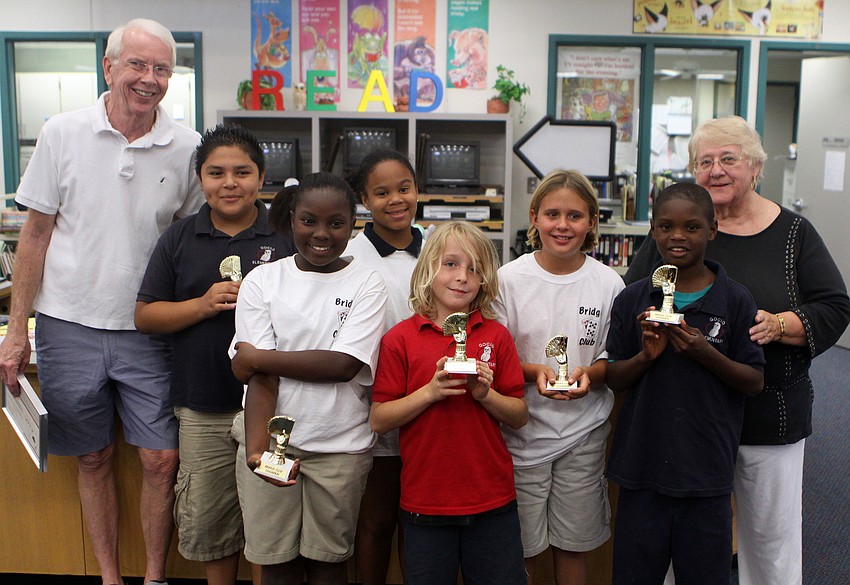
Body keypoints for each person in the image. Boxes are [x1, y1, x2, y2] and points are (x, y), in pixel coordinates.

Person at [0, 18, 203, 585]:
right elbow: (33, 236)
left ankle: (155, 576)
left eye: (161, 68)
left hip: (151, 329)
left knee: (162, 460)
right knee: (92, 457)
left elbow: (188, 242)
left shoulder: (186, 147)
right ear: (109, 66)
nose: (149, 78)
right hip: (68, 325)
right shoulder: (62, 133)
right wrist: (19, 331)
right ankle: (111, 578)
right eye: (137, 64)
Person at [625, 116, 850, 585]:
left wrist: (783, 324)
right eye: (704, 161)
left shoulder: (794, 234)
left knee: (769, 541)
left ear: (755, 167)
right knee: (674, 544)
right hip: (681, 419)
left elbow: (834, 305)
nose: (716, 170)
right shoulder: (675, 229)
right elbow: (633, 294)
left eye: (729, 159)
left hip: (766, 413)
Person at [134, 124, 295, 585]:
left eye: (242, 172)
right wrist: (202, 305)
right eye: (216, 173)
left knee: (270, 518)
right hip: (202, 405)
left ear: (261, 176)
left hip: (272, 406)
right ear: (199, 179)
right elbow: (145, 316)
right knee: (210, 523)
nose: (229, 183)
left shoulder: (285, 236)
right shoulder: (179, 238)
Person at [229, 171, 387, 585]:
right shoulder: (262, 281)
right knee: (275, 564)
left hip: (339, 447)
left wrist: (261, 356)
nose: (322, 233)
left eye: (336, 223)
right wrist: (258, 452)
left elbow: (342, 366)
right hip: (267, 441)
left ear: (353, 226)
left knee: (328, 564)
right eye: (309, 221)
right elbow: (257, 378)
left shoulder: (368, 282)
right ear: (291, 219)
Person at [607, 182, 765, 585]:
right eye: (665, 226)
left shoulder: (735, 301)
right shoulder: (632, 300)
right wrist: (646, 357)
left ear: (712, 230)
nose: (677, 236)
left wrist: (703, 352)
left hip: (705, 476)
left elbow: (754, 381)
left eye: (692, 227)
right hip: (641, 471)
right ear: (654, 231)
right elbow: (613, 378)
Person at [370, 220, 529, 585]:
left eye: (475, 269)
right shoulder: (400, 339)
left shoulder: (497, 335)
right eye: (452, 264)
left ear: (485, 280)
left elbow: (519, 415)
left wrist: (486, 395)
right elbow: (379, 419)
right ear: (428, 270)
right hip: (425, 501)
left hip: (492, 500)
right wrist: (430, 392)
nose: (463, 277)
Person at [492, 170, 624, 585]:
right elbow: (494, 355)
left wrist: (589, 375)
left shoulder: (608, 283)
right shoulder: (508, 279)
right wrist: (537, 373)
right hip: (520, 435)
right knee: (522, 547)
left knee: (573, 544)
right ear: (534, 217)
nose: (562, 225)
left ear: (591, 223)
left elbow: (611, 358)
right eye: (552, 214)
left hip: (582, 434)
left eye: (574, 216)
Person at [345, 149, 422, 585]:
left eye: (404, 188)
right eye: (382, 192)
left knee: (422, 523)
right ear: (363, 199)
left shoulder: (437, 250)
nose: (396, 199)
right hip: (370, 407)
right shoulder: (352, 256)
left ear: (417, 189)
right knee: (375, 523)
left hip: (430, 406)